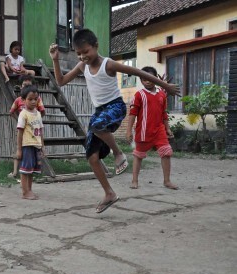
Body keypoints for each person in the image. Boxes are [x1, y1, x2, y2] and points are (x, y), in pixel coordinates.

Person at [49, 29, 180, 213]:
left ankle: (118, 153)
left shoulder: (108, 64)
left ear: (96, 46)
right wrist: (55, 59)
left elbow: (136, 71)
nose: (83, 56)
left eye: (86, 51)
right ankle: (109, 193)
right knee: (91, 156)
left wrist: (165, 86)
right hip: (99, 111)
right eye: (78, 53)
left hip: (115, 107)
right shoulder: (82, 66)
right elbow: (61, 81)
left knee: (97, 125)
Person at [125, 66, 178, 190]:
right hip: (144, 131)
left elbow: (164, 113)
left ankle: (167, 181)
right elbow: (132, 114)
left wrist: (167, 128)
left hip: (159, 130)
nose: (147, 81)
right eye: (144, 79)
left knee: (166, 153)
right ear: (141, 80)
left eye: (150, 78)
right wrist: (128, 131)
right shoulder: (139, 95)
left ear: (155, 78)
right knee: (138, 155)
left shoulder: (162, 95)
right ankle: (134, 180)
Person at [8, 75, 46, 178]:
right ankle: (15, 171)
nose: (33, 101)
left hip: (33, 128)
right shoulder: (18, 100)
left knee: (30, 155)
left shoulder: (37, 99)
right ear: (20, 86)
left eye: (28, 85)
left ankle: (27, 172)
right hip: (22, 127)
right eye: (24, 85)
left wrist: (36, 119)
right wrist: (19, 120)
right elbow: (11, 111)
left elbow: (42, 111)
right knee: (19, 148)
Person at [16, 85, 45, 200]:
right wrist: (19, 149)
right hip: (27, 145)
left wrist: (42, 146)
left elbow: (41, 130)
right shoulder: (23, 114)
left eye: (36, 99)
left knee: (31, 170)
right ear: (23, 100)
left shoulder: (38, 113)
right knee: (25, 170)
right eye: (30, 99)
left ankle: (29, 190)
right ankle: (25, 192)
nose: (33, 101)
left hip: (36, 145)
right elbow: (20, 132)